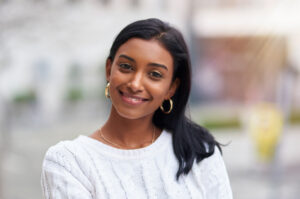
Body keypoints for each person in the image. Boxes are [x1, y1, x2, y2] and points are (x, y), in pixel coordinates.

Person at [41, 18, 232, 199]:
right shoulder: (69, 162)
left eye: (155, 74)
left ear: (171, 88)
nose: (135, 83)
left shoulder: (199, 151)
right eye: (126, 66)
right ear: (109, 70)